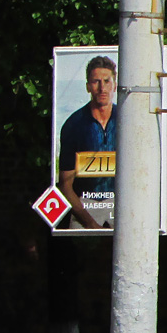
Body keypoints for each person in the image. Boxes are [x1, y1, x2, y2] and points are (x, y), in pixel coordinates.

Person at [58, 56, 118, 229]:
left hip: (122, 205)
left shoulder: (127, 120)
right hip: (85, 206)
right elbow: (65, 184)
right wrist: (90, 224)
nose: (102, 88)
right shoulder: (74, 125)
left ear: (114, 84)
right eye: (96, 82)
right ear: (88, 86)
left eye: (107, 81)